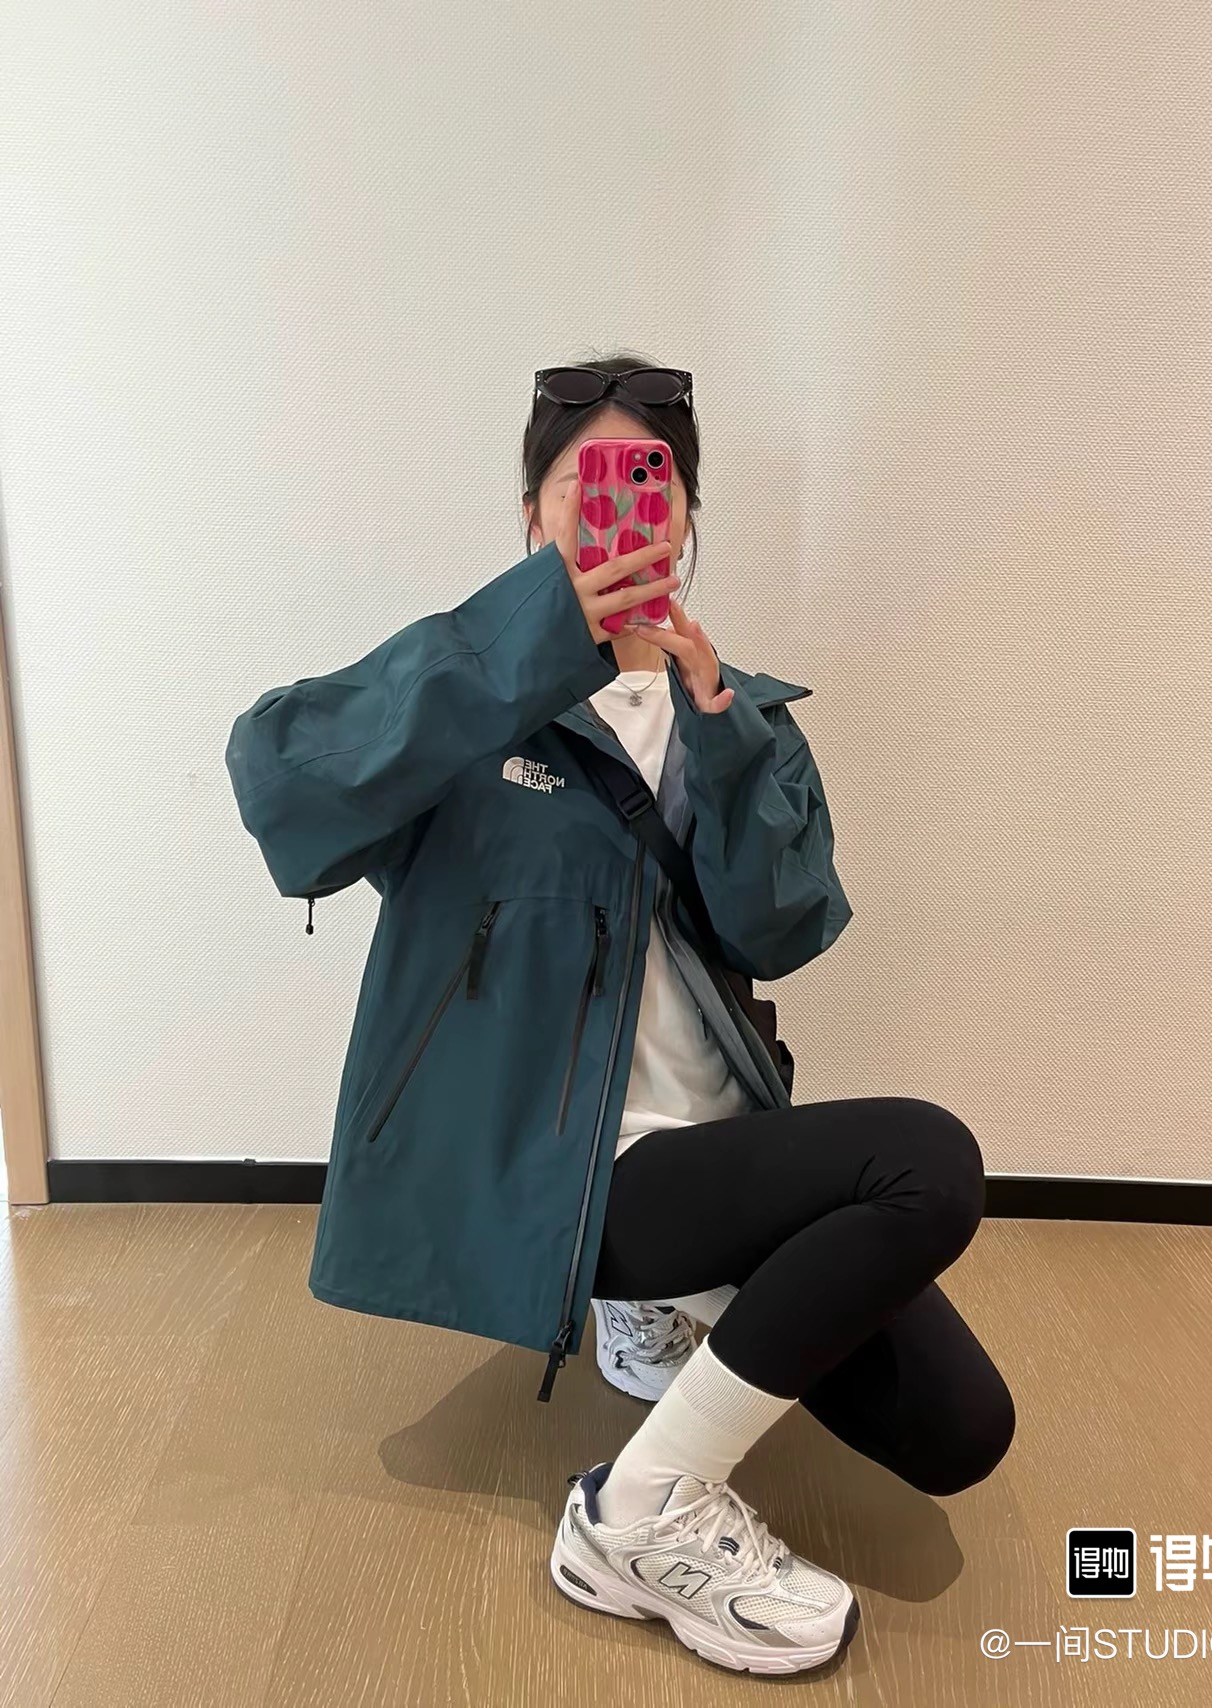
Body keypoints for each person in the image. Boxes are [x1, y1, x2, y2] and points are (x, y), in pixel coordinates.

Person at [226, 351, 1016, 1679]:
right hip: (570, 1178)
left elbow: (784, 929)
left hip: (713, 1152)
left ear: (687, 518)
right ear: (533, 516)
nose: (621, 512)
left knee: (961, 1429)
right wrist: (517, 643)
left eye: (652, 485)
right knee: (929, 1160)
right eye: (584, 485)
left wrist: (724, 736)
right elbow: (281, 788)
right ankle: (638, 1511)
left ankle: (659, 1307)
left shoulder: (736, 710)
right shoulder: (462, 714)